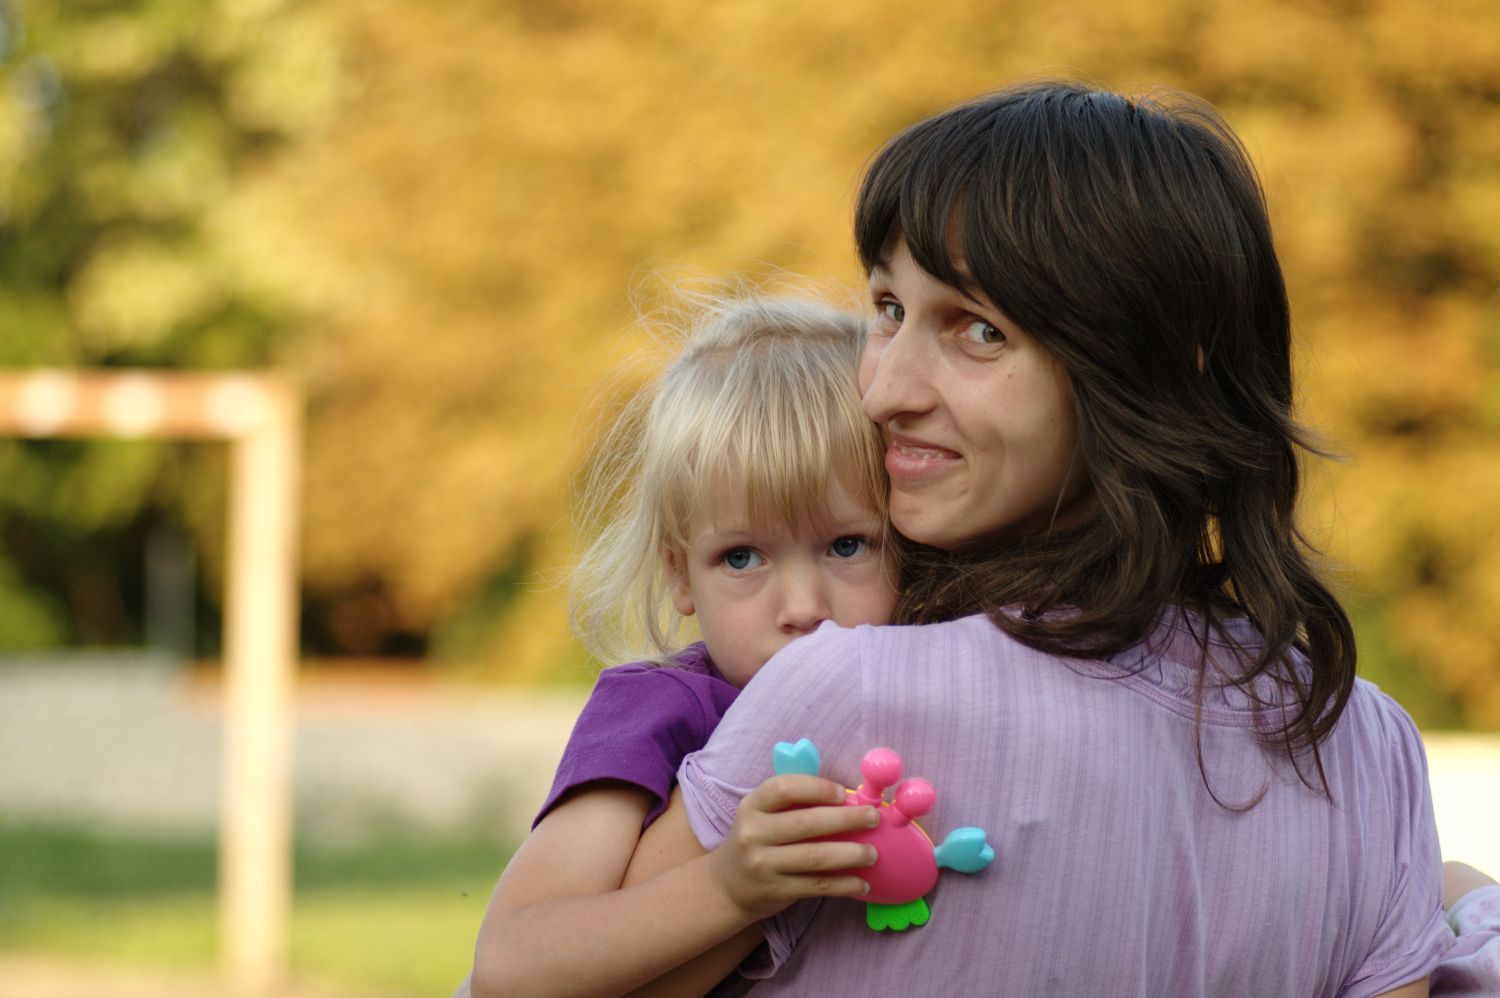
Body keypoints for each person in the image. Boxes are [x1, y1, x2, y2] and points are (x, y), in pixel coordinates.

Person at [622, 82, 1453, 996]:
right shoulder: (1368, 751)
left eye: (979, 331)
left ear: (1152, 370)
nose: (883, 390)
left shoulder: (849, 693)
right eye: (888, 309)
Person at [464, 296, 901, 997]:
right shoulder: (657, 711)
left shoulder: (931, 674)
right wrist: (728, 887)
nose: (802, 608)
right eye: (742, 557)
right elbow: (511, 967)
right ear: (678, 573)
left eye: (848, 545)